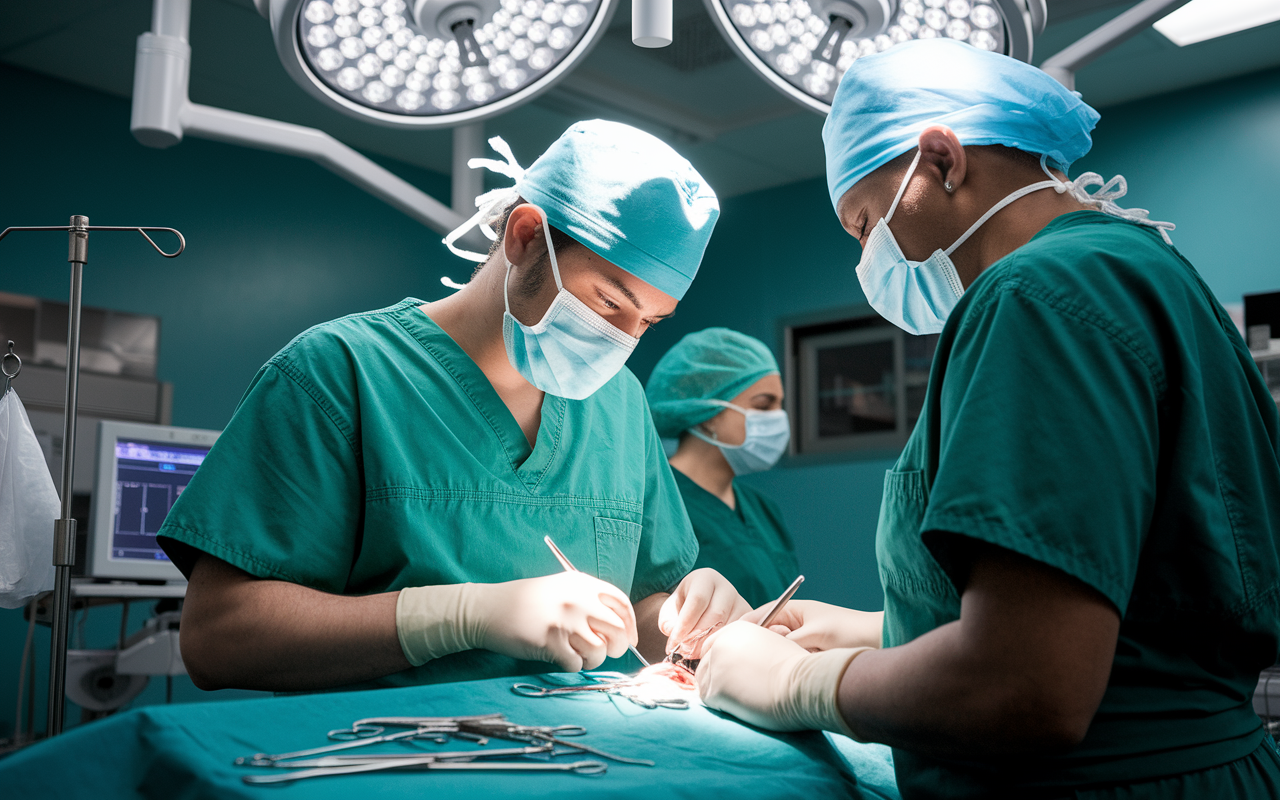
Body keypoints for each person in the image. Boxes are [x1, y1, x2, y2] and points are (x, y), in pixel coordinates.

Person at [696, 39, 1280, 799]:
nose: (867, 259)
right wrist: (870, 630)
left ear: (942, 161)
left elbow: (1027, 683)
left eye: (865, 223)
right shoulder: (1144, 272)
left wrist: (800, 682)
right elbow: (1130, 618)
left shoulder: (1035, 296)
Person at [158, 120, 749, 693]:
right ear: (523, 236)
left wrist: (685, 617)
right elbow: (218, 638)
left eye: (647, 322)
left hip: (581, 760)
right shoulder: (337, 372)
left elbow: (642, 604)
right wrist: (460, 614)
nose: (622, 340)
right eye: (607, 303)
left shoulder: (618, 403)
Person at [646, 328, 801, 608]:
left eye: (780, 405)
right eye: (764, 405)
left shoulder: (761, 508)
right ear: (706, 415)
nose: (779, 418)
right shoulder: (658, 505)